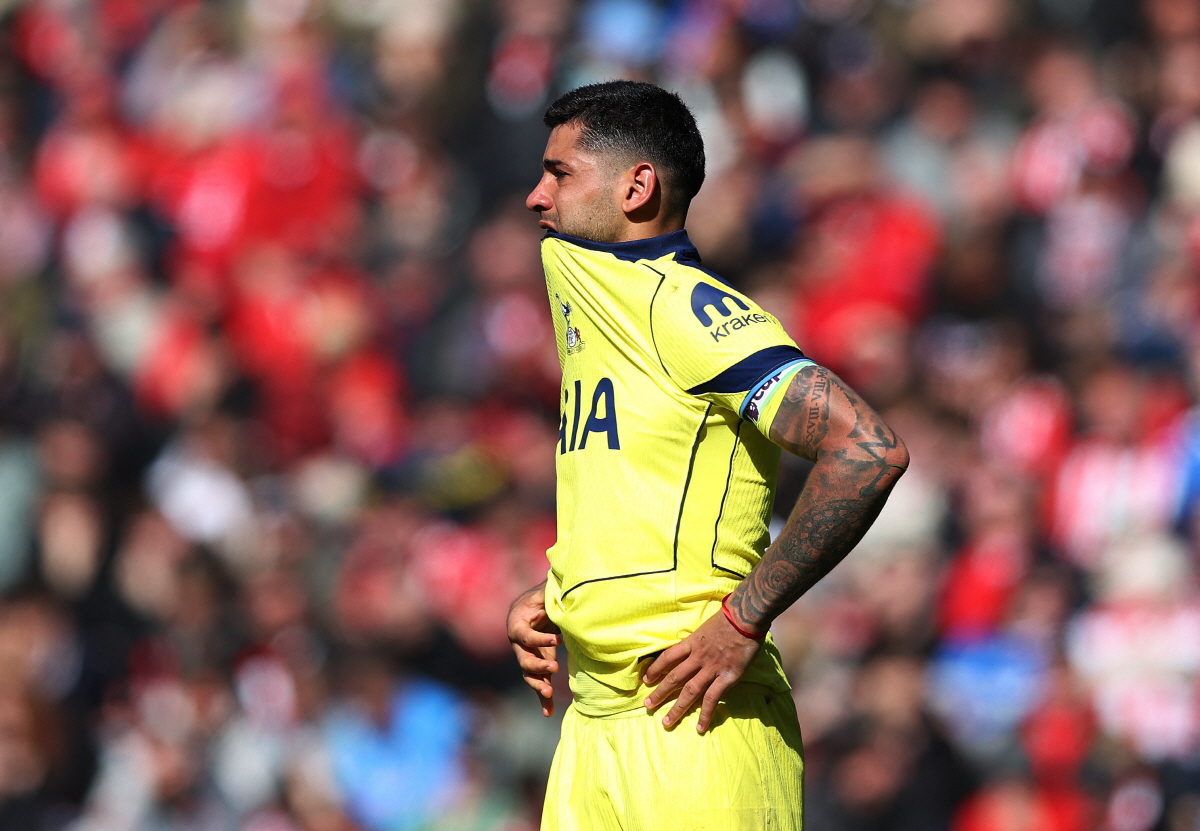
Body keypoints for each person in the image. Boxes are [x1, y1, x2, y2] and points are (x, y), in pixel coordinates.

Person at [506, 80, 908, 831]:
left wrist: (742, 619)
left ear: (637, 185)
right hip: (590, 733)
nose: (535, 197)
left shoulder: (687, 308)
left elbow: (868, 449)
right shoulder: (599, 307)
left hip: (695, 725)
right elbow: (649, 485)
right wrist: (562, 590)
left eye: (559, 173)